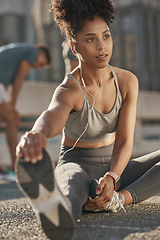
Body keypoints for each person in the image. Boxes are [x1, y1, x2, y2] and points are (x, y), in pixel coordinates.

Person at [15, 1, 160, 240]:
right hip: (76, 164)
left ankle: (116, 199)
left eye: (106, 36)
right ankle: (55, 209)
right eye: (91, 39)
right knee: (72, 191)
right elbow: (52, 116)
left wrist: (113, 177)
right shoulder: (69, 90)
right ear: (75, 47)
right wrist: (36, 134)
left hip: (115, 168)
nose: (102, 46)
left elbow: (124, 140)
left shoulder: (126, 81)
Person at [0, 42, 51, 171]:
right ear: (40, 53)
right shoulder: (33, 52)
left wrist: (10, 107)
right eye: (42, 64)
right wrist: (12, 107)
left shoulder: (22, 51)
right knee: (12, 120)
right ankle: (16, 167)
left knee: (5, 119)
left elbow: (5, 84)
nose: (39, 68)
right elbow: (19, 80)